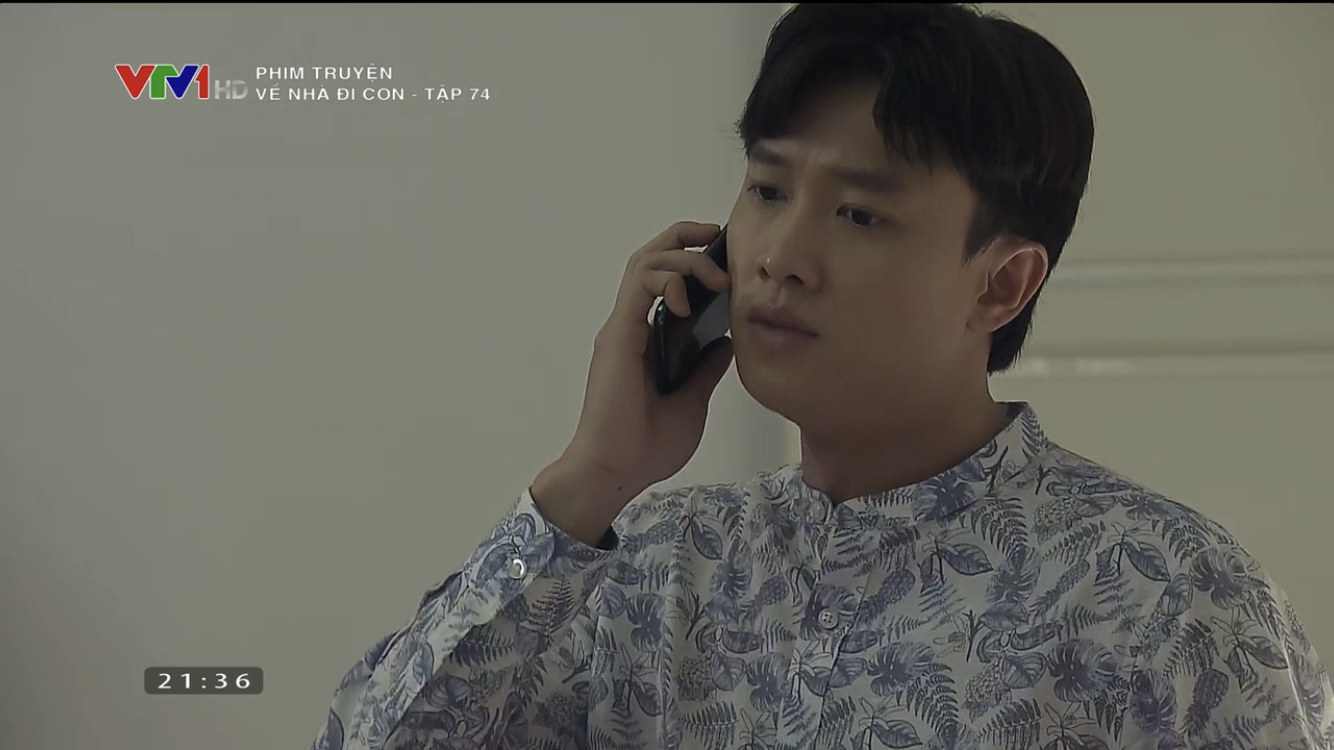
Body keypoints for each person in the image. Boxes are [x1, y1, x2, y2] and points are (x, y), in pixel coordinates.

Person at [311, 4, 1333, 749]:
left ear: (1001, 283)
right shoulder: (651, 566)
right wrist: (592, 476)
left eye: (859, 213)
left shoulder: (1169, 596)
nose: (781, 257)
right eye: (766, 189)